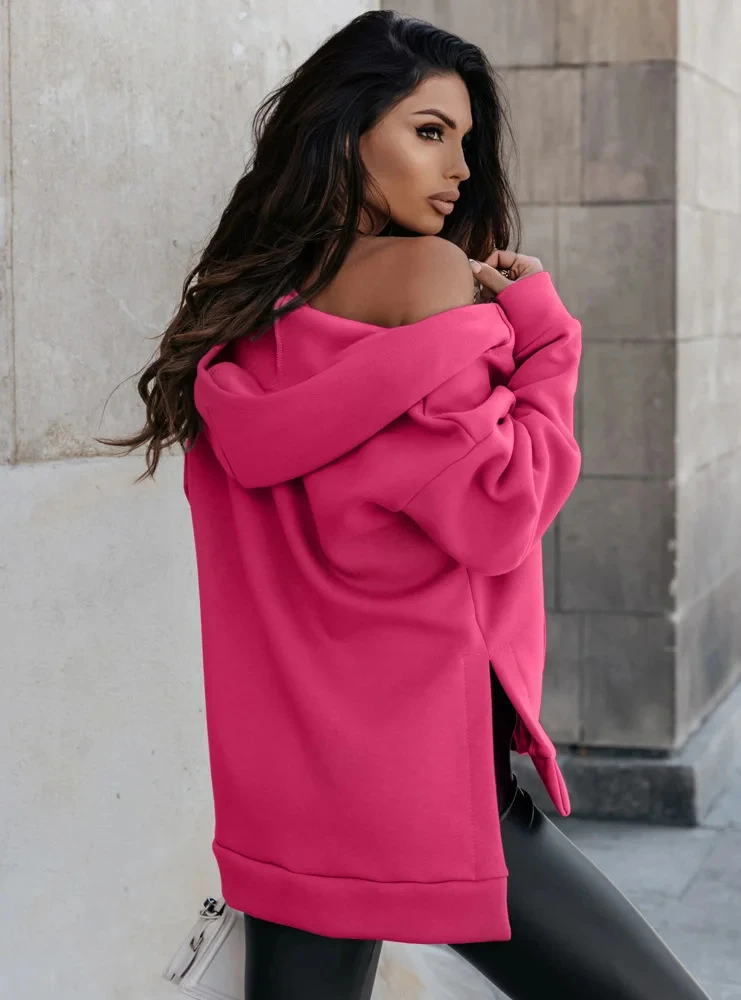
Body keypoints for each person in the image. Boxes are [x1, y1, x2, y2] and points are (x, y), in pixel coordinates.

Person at [99, 9, 713, 999]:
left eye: (464, 139)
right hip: (430, 783)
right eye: (430, 131)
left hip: (294, 794)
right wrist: (547, 340)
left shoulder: (246, 314)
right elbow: (501, 508)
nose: (460, 167)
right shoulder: (425, 272)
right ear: (346, 133)